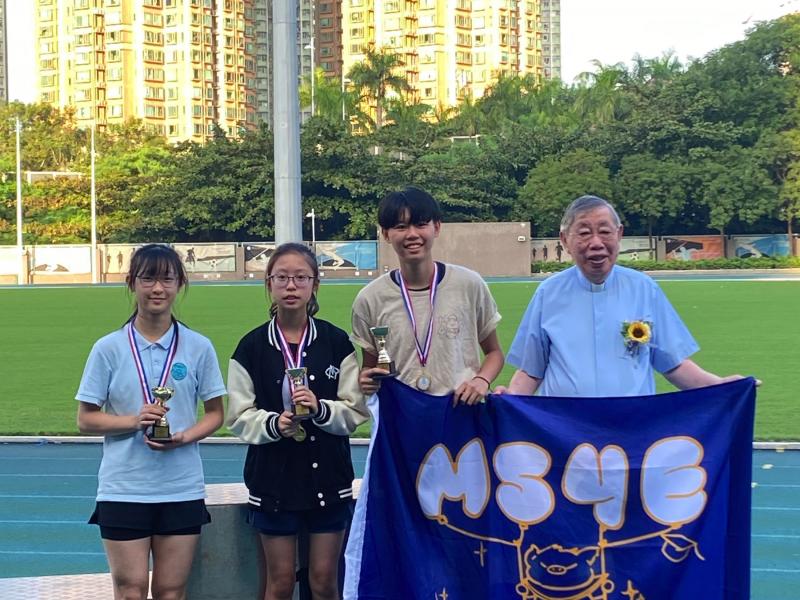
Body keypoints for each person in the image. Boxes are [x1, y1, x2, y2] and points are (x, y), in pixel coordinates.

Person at [76, 244, 226, 600]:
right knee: (130, 590)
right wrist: (133, 419)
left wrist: (185, 436)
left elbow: (217, 414)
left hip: (180, 488)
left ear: (179, 284)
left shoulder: (198, 346)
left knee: (171, 592)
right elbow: (85, 419)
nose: (157, 288)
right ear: (132, 283)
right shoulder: (108, 348)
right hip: (124, 488)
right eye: (148, 278)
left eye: (166, 279)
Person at [226, 242, 369, 600]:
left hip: (328, 477)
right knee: (280, 582)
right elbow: (238, 417)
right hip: (273, 480)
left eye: (301, 278)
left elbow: (354, 412)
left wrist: (320, 409)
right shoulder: (251, 347)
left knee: (324, 581)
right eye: (282, 278)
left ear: (314, 285)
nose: (291, 286)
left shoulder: (337, 343)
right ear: (269, 284)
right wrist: (275, 424)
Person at [500, 195, 745, 397]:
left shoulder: (644, 289)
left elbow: (674, 364)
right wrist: (508, 399)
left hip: (631, 430)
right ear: (565, 240)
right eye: (584, 233)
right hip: (564, 432)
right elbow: (532, 370)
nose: (596, 243)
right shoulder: (548, 293)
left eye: (604, 232)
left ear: (619, 234)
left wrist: (721, 386)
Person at [354, 186, 504, 404]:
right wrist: (366, 379)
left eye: (421, 224)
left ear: (437, 227)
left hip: (460, 414)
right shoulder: (370, 298)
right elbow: (371, 366)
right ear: (386, 234)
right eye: (401, 226)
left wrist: (481, 380)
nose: (412, 234)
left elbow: (494, 353)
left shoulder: (469, 284)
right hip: (402, 418)